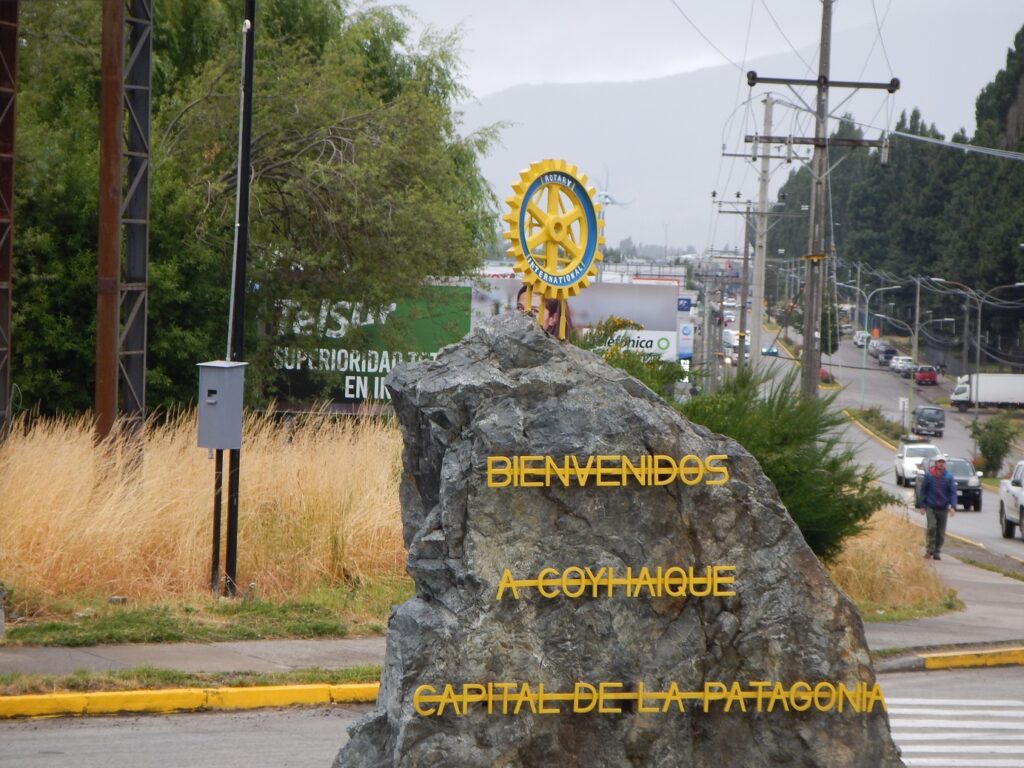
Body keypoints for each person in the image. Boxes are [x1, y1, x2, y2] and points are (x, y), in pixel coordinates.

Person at [916, 456, 957, 560]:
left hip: (943, 508)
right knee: (931, 527)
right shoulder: (929, 476)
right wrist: (921, 505)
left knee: (940, 533)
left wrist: (953, 506)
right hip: (931, 507)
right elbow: (923, 491)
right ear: (935, 463)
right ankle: (929, 550)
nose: (941, 464)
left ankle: (937, 551)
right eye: (939, 462)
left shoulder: (948, 477)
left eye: (943, 462)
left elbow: (952, 493)